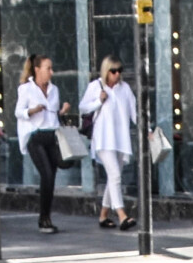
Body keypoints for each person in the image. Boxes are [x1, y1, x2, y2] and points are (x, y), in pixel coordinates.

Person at [79, 55, 136, 231]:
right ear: (106, 71)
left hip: (120, 139)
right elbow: (83, 107)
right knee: (116, 176)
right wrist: (99, 100)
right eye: (113, 71)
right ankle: (122, 215)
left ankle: (103, 215)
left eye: (119, 71)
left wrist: (147, 130)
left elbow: (135, 112)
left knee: (114, 177)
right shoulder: (96, 87)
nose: (117, 74)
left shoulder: (124, 88)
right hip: (103, 139)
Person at [15, 54, 68, 233]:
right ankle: (43, 219)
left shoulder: (54, 90)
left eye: (51, 68)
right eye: (48, 68)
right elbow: (18, 112)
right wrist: (32, 110)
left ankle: (46, 216)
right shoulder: (26, 89)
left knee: (55, 172)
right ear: (37, 70)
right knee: (46, 175)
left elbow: (53, 116)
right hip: (35, 136)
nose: (51, 72)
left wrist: (62, 112)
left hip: (51, 135)